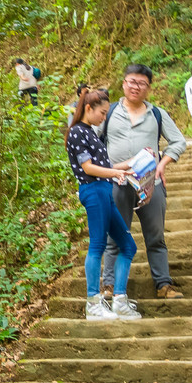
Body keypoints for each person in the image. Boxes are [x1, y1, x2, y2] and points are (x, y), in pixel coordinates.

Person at [99, 63, 188, 302]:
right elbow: (92, 143)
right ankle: (109, 285)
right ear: (123, 83)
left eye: (141, 83)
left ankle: (163, 284)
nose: (135, 87)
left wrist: (162, 164)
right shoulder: (109, 112)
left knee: (156, 236)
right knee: (114, 236)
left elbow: (179, 141)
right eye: (131, 81)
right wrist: (106, 171)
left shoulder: (157, 114)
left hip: (151, 183)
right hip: (118, 182)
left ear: (149, 88)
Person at [65, 87, 141, 321]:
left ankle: (119, 300)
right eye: (103, 112)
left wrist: (133, 163)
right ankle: (93, 303)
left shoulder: (91, 133)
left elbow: (106, 164)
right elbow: (88, 168)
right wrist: (113, 174)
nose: (104, 117)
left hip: (105, 190)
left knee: (128, 246)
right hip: (93, 190)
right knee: (97, 245)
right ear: (89, 108)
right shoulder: (77, 132)